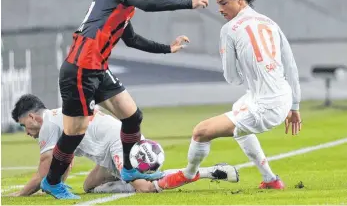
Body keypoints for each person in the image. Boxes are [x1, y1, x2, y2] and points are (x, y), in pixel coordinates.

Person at [41, 0, 209, 199]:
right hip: (80, 67)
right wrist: (188, 2)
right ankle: (52, 181)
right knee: (75, 131)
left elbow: (131, 40)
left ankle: (129, 169)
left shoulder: (120, 2)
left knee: (132, 116)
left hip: (97, 68)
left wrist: (168, 48)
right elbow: (148, 4)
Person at [158, 0, 302, 190]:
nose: (220, 9)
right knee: (239, 112)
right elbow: (290, 65)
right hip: (280, 97)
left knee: (200, 132)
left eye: (224, 3)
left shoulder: (229, 29)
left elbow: (232, 77)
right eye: (218, 3)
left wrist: (247, 69)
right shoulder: (271, 23)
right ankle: (271, 179)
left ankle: (189, 174)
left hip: (264, 104)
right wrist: (294, 105)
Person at [10, 94, 238, 197]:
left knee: (145, 188)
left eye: (24, 126)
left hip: (117, 144)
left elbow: (44, 170)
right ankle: (131, 178)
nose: (28, 132)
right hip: (110, 147)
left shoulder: (48, 124)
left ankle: (207, 172)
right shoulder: (57, 117)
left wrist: (21, 195)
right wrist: (57, 185)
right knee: (90, 186)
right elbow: (63, 163)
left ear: (32, 117)